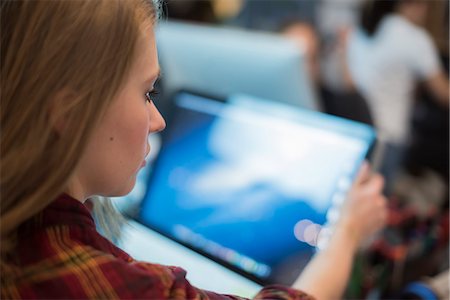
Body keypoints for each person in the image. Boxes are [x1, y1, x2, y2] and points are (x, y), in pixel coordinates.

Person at [0, 1, 387, 299]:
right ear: (70, 112)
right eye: (146, 92)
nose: (157, 120)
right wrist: (348, 230)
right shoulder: (99, 281)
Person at [347, 0, 450, 194]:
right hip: (388, 137)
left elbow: (351, 81)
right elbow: (444, 94)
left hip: (358, 132)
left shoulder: (365, 28)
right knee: (376, 204)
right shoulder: (415, 38)